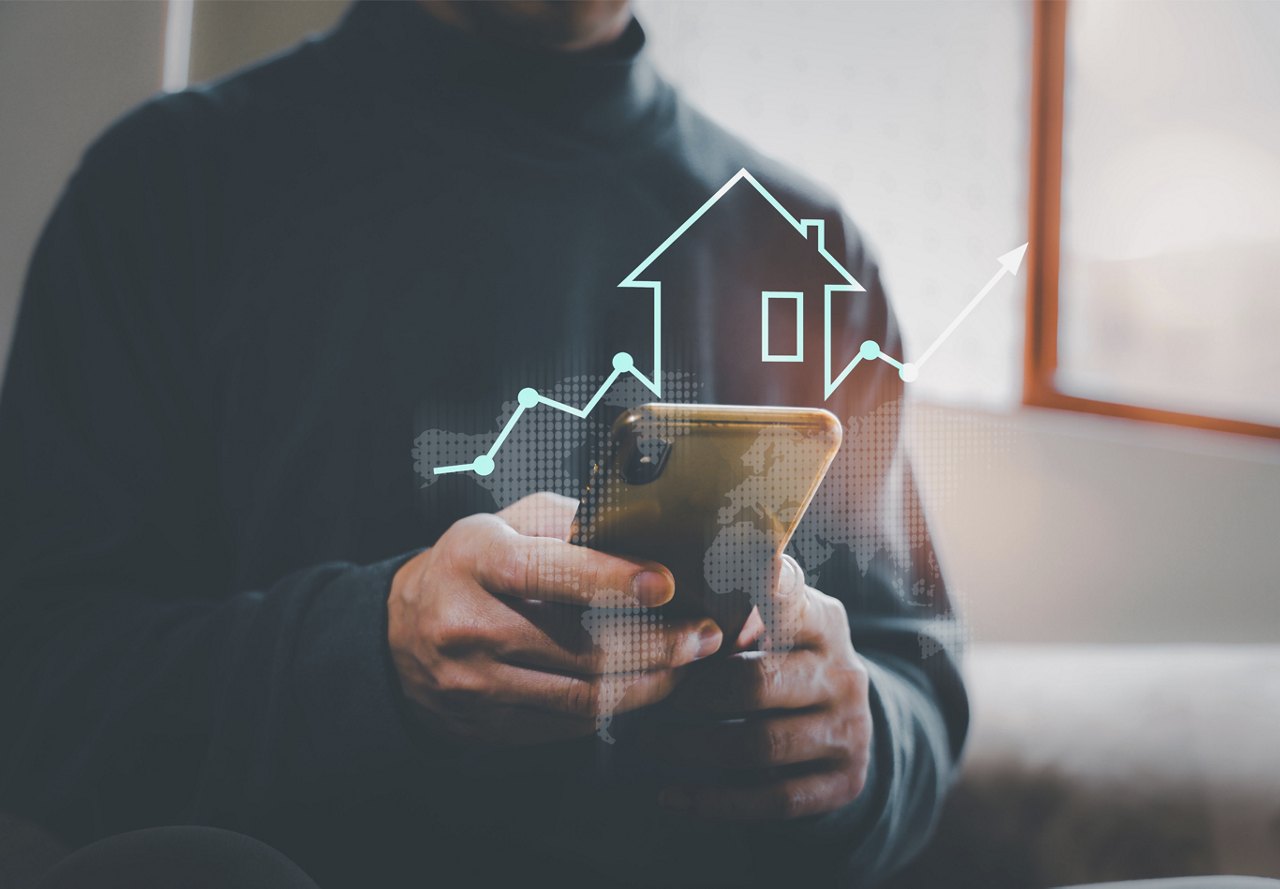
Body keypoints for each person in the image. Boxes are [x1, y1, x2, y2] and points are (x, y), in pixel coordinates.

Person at [0, 2, 967, 886]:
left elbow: (912, 671)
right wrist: (371, 656)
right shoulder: (164, 190)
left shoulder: (809, 247)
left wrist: (860, 737)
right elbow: (37, 684)